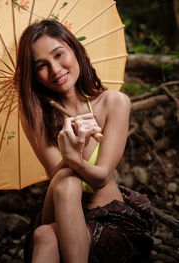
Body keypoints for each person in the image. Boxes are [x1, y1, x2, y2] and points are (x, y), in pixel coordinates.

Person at [14, 20, 156, 263]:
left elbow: (100, 177)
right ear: (34, 75)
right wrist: (73, 156)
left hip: (108, 218)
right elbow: (53, 173)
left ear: (74, 49)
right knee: (65, 180)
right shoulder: (37, 112)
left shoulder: (114, 103)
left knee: (45, 235)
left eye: (59, 54)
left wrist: (72, 158)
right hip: (59, 211)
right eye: (41, 66)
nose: (56, 69)